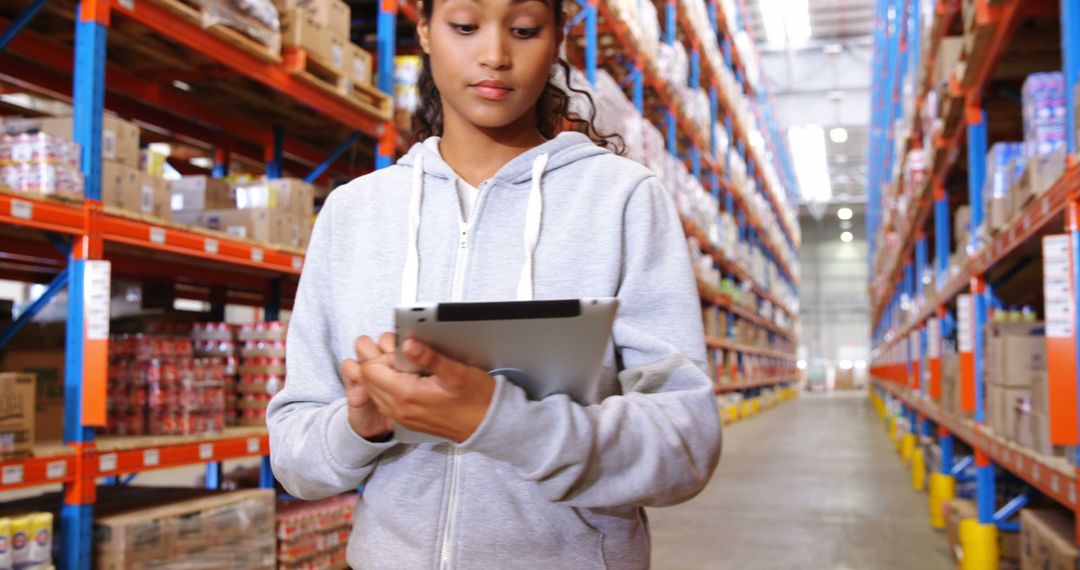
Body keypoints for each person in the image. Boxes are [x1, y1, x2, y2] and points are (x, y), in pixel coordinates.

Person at [266, 0, 723, 566]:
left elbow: (686, 444)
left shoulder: (622, 200)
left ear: (557, 38)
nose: (494, 56)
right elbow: (292, 454)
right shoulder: (354, 212)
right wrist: (362, 425)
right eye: (464, 26)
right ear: (426, 33)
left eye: (524, 30)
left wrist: (503, 421)